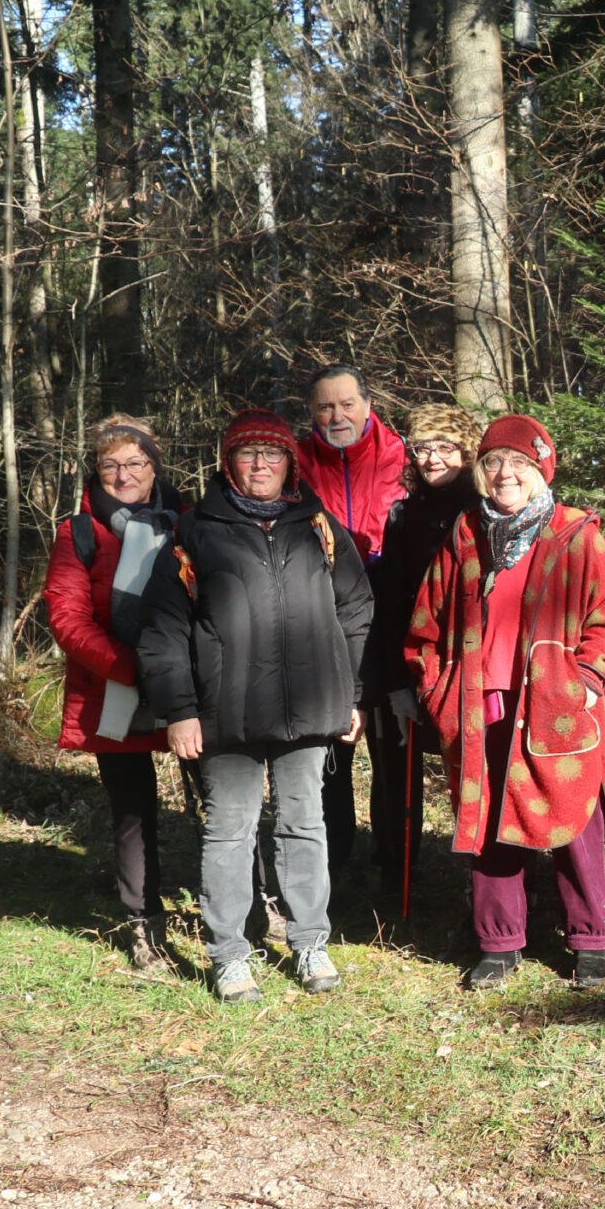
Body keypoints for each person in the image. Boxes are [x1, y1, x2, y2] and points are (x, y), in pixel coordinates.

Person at [137, 408, 374, 1004]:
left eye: (272, 453)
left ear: (291, 462)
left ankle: (310, 941)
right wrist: (179, 710)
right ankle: (229, 954)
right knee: (229, 831)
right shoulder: (194, 532)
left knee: (304, 825)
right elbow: (164, 630)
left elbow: (355, 612)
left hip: (310, 710)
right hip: (226, 714)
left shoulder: (318, 525)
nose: (261, 463)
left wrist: (352, 694)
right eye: (248, 453)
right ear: (228, 462)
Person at [405, 415, 605, 990]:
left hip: (559, 703)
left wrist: (588, 678)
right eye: (493, 463)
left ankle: (588, 940)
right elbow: (425, 625)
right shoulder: (465, 536)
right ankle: (499, 940)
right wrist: (437, 688)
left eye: (519, 464)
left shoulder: (576, 535)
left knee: (574, 818)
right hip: (479, 701)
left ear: (541, 471)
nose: (505, 474)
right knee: (489, 823)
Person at [42, 415, 187, 974]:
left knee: (225, 800)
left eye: (136, 462)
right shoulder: (79, 532)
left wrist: (175, 672)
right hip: (117, 688)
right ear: (95, 471)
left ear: (155, 466)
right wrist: (133, 668)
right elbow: (68, 618)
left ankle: (247, 908)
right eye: (111, 465)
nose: (124, 475)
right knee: (132, 811)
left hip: (186, 687)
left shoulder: (191, 520)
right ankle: (144, 924)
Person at [365, 404, 482, 899]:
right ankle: (397, 874)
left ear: (466, 451)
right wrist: (394, 679)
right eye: (423, 448)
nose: (432, 458)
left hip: (469, 659)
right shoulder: (404, 513)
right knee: (395, 772)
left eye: (445, 448)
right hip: (410, 657)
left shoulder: (484, 508)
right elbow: (390, 597)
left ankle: (489, 880)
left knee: (475, 770)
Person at [296, 364, 410, 876]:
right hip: (321, 609)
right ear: (312, 413)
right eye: (324, 406)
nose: (336, 415)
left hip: (390, 607)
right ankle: (333, 859)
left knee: (392, 738)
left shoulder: (401, 456)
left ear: (368, 404)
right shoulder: (295, 462)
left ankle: (396, 859)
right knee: (330, 735)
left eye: (346, 404)